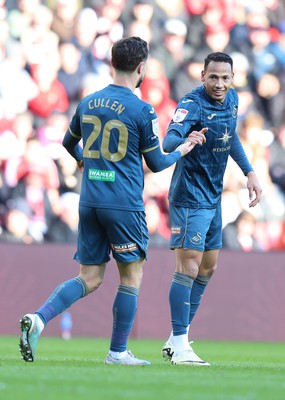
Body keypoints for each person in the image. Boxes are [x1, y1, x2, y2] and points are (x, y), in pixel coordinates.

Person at [18, 36, 206, 366]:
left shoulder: (89, 101)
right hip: (124, 205)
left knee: (89, 277)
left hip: (89, 201)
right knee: (131, 277)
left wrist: (83, 159)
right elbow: (158, 163)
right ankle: (118, 351)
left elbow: (67, 142)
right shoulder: (141, 109)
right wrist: (184, 147)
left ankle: (40, 318)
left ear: (111, 63)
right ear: (141, 68)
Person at [161, 52, 262, 366]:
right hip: (189, 196)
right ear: (202, 75)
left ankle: (175, 338)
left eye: (225, 77)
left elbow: (230, 140)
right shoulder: (192, 104)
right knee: (188, 268)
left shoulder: (231, 100)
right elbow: (168, 141)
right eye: (213, 77)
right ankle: (180, 345)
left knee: (207, 269)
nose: (219, 83)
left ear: (233, 78)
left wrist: (249, 172)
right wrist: (186, 138)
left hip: (213, 197)